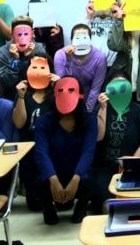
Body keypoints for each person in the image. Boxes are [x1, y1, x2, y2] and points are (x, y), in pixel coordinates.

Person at [33, 77, 97, 225]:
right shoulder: (44, 121)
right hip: (54, 172)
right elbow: (41, 152)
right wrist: (52, 178)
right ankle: (48, 209)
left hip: (78, 173)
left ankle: (81, 209)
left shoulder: (89, 120)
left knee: (89, 179)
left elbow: (89, 151)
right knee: (39, 180)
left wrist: (76, 178)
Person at [90, 71, 140, 214]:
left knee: (134, 205)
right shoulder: (100, 109)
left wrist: (133, 162)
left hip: (131, 166)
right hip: (105, 166)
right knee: (106, 204)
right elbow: (98, 137)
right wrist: (102, 109)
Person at [12, 53, 59, 211]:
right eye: (34, 68)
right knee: (34, 205)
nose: (38, 71)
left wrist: (59, 89)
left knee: (62, 204)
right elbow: (19, 123)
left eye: (42, 68)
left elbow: (67, 120)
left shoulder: (55, 94)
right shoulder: (23, 94)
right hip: (30, 150)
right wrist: (20, 96)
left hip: (53, 149)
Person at [56, 24, 107, 113]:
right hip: (65, 100)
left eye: (85, 38)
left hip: (88, 101)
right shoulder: (60, 55)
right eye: (77, 39)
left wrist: (87, 112)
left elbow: (95, 89)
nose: (81, 42)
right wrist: (69, 59)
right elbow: (62, 84)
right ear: (71, 40)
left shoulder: (99, 58)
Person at [0, 16, 48, 99]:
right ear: (12, 34)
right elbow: (5, 83)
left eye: (26, 34)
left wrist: (29, 57)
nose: (22, 38)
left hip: (33, 95)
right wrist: (15, 61)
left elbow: (40, 79)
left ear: (32, 33)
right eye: (19, 34)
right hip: (10, 96)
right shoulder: (3, 52)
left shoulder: (39, 49)